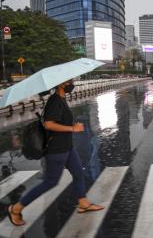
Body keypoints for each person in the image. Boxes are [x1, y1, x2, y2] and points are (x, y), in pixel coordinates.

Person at [8, 80, 103, 226]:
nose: (72, 83)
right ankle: (16, 208)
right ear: (61, 84)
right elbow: (49, 124)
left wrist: (72, 125)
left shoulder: (61, 99)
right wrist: (73, 129)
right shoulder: (55, 101)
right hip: (56, 150)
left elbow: (59, 121)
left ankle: (83, 202)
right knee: (50, 182)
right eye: (69, 81)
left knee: (78, 173)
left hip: (67, 147)